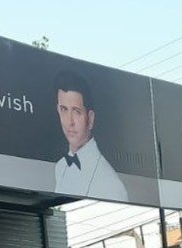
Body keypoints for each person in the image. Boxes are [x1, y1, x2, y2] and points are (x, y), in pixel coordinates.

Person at [53, 71, 128, 201]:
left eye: (77, 112)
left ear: (90, 118)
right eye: (64, 109)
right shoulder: (60, 167)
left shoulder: (111, 185)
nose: (70, 122)